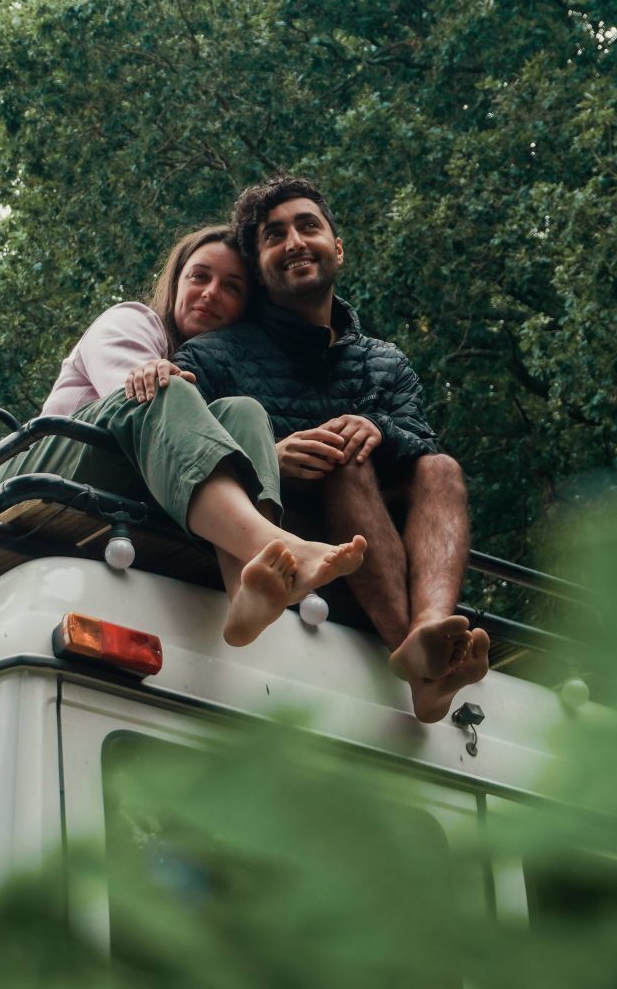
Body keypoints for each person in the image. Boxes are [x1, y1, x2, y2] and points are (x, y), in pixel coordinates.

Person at [159, 178, 489, 722]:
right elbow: (191, 445)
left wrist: (379, 427)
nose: (293, 242)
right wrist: (272, 456)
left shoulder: (385, 361)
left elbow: (418, 441)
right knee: (346, 464)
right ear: (261, 269)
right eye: (273, 236)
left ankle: (429, 631)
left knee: (441, 467)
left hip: (376, 532)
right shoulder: (213, 355)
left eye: (307, 226)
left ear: (338, 247)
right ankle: (424, 669)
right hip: (287, 537)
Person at [0, 224, 366, 646]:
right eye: (200, 276)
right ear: (176, 282)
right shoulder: (133, 321)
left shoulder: (221, 377)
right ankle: (281, 548)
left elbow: (191, 436)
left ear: (245, 309)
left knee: (246, 412)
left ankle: (248, 591)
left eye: (231, 287)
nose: (211, 292)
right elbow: (132, 393)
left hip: (119, 478)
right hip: (34, 469)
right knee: (163, 387)